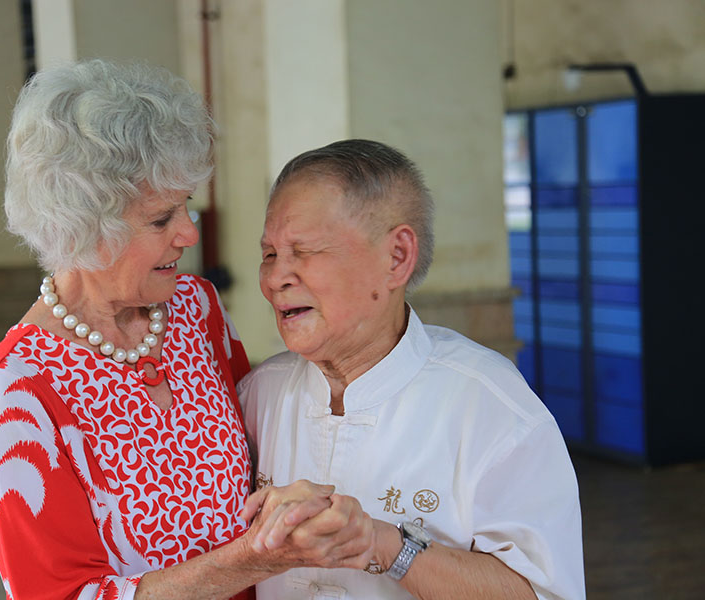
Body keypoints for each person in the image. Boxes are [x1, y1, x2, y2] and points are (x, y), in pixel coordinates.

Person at [0, 59, 375, 600]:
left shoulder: (196, 308)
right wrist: (252, 559)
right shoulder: (18, 386)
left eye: (186, 205)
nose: (188, 231)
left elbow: (260, 451)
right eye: (161, 219)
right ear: (84, 227)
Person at [239, 139, 585, 599]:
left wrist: (382, 543)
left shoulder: (488, 406)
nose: (275, 277)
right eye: (269, 254)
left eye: (304, 252)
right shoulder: (257, 395)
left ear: (396, 257)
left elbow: (545, 593)